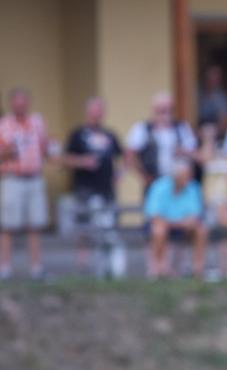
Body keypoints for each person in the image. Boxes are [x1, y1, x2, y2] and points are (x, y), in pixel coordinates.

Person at [62, 96, 123, 271]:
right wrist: (82, 161)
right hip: (84, 187)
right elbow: (65, 159)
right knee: (84, 226)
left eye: (100, 111)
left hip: (106, 188)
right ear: (88, 112)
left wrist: (119, 174)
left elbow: (122, 156)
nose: (97, 115)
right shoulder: (77, 134)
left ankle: (105, 262)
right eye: (94, 111)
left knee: (108, 224)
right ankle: (82, 263)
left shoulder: (109, 135)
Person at [0, 88, 51, 280]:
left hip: (34, 178)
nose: (20, 105)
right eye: (16, 102)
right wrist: (8, 152)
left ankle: (36, 267)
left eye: (23, 101)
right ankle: (4, 268)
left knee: (35, 224)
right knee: (7, 225)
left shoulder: (37, 123)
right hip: (13, 178)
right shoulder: (4, 125)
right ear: (11, 103)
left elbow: (45, 147)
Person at [126, 92, 197, 197]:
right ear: (154, 110)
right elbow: (129, 155)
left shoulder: (182, 128)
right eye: (162, 110)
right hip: (154, 183)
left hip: (179, 184)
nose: (166, 114)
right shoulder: (143, 129)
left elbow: (194, 153)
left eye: (169, 110)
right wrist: (143, 176)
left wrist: (182, 152)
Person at [144, 159, 207, 278]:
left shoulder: (193, 188)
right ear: (176, 177)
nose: (188, 179)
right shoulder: (159, 187)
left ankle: (197, 270)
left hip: (182, 227)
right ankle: (158, 269)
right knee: (158, 230)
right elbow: (154, 216)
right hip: (164, 225)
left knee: (201, 230)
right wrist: (178, 223)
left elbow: (195, 216)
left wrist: (178, 223)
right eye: (185, 176)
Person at [197, 65, 227, 134]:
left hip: (216, 133)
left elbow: (225, 119)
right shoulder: (197, 93)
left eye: (217, 77)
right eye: (211, 76)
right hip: (198, 130)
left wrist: (215, 132)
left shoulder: (221, 96)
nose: (214, 80)